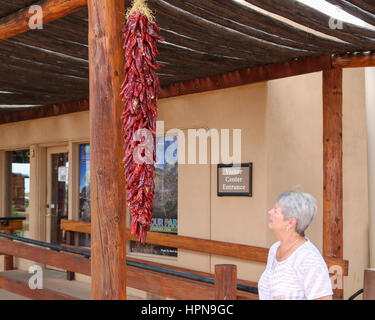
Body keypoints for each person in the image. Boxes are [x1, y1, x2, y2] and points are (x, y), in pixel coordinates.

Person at [258, 191, 333, 300]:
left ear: (291, 223)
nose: (270, 212)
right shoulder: (275, 249)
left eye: (275, 211)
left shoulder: (308, 257)